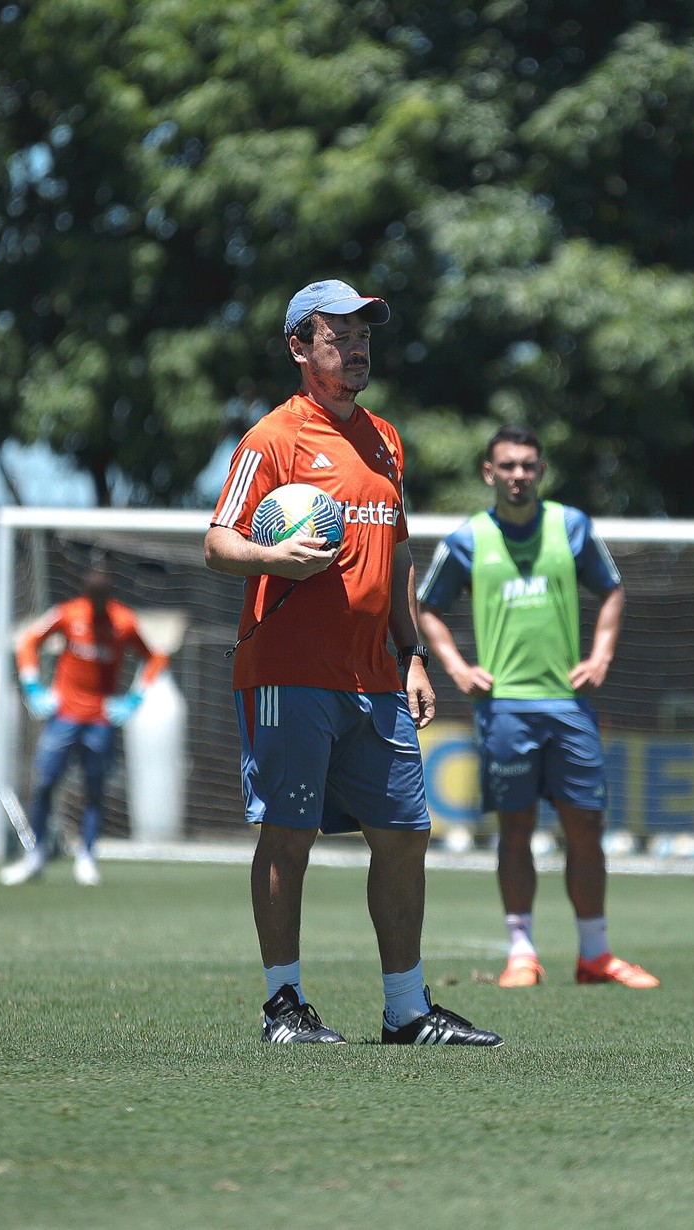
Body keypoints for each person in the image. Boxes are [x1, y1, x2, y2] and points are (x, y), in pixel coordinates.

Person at [204, 278, 502, 1046]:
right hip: (288, 673)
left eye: (365, 332)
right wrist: (275, 554)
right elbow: (217, 543)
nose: (358, 345)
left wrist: (412, 655)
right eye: (339, 334)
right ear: (300, 347)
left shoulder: (385, 439)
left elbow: (397, 552)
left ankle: (406, 1010)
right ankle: (283, 1006)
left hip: (376, 678)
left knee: (404, 834)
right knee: (288, 834)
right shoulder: (273, 439)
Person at [418, 425, 659, 990]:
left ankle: (595, 954)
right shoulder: (468, 539)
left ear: (541, 472)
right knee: (516, 829)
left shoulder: (571, 527)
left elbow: (613, 590)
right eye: (507, 466)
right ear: (489, 472)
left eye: (528, 465)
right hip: (504, 709)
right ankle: (521, 952)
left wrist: (600, 655)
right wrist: (455, 665)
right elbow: (427, 606)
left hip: (569, 706)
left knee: (586, 826)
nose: (518, 475)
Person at [0, 567, 168, 887]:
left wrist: (135, 697)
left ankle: (87, 856)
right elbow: (28, 641)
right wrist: (32, 684)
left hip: (101, 719)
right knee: (45, 782)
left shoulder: (124, 622)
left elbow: (155, 657)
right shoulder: (68, 613)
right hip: (64, 715)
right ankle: (35, 855)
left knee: (94, 787)